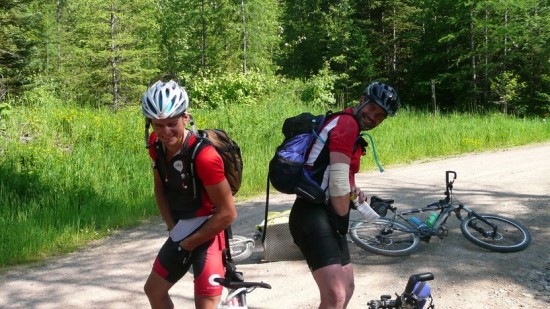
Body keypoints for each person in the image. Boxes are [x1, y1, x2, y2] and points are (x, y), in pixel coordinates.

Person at [288, 82, 400, 309]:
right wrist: (342, 218)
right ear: (362, 100)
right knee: (335, 295)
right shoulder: (347, 124)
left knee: (346, 289)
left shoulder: (349, 126)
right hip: (312, 214)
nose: (373, 117)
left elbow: (338, 176)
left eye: (380, 116)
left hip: (325, 213)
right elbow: (337, 183)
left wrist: (352, 190)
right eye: (372, 108)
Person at [141, 79, 237, 309]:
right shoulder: (156, 144)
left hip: (210, 232)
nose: (165, 132)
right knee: (154, 291)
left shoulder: (204, 156)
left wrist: (188, 243)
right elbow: (160, 188)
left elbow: (228, 213)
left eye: (172, 123)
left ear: (186, 117)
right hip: (182, 231)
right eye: (158, 125)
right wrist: (172, 228)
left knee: (204, 304)